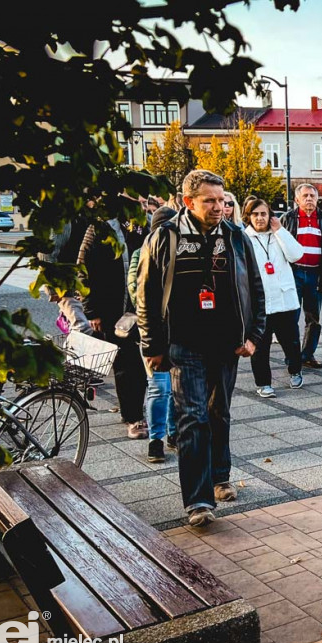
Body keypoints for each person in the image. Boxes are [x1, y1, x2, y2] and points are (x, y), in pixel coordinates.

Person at [136, 169, 266, 527]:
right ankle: (198, 501)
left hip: (227, 343)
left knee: (218, 411)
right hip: (183, 343)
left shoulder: (237, 237)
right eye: (209, 200)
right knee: (192, 418)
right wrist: (152, 344)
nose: (218, 207)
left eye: (222, 200)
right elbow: (145, 294)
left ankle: (220, 475)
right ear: (188, 201)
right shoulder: (166, 237)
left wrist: (254, 335)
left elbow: (255, 288)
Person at [77, 212, 148, 439]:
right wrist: (91, 311)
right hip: (112, 309)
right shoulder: (101, 227)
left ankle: (137, 409)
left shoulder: (145, 225)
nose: (140, 204)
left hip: (142, 307)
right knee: (127, 364)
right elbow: (82, 269)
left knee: (143, 363)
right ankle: (133, 417)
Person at [127, 206, 177, 463]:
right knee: (159, 388)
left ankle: (173, 432)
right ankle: (155, 440)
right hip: (152, 333)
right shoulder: (140, 254)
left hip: (179, 333)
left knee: (176, 389)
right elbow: (137, 294)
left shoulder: (182, 251)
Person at [243, 196, 306, 396]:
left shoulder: (279, 234)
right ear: (249, 216)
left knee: (291, 342)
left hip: (284, 300)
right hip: (259, 303)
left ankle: (295, 370)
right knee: (260, 347)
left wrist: (279, 230)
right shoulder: (244, 239)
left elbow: (296, 254)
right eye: (255, 214)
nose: (260, 218)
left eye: (264, 214)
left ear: (270, 216)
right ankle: (263, 383)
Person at [281, 183, 322, 369]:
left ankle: (308, 354)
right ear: (297, 199)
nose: (309, 199)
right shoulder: (288, 219)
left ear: (317, 198)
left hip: (316, 274)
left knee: (313, 318)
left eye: (312, 196)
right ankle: (292, 355)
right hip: (293, 272)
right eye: (305, 196)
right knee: (291, 317)